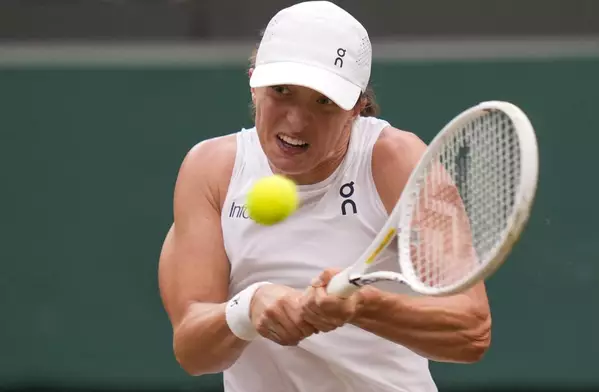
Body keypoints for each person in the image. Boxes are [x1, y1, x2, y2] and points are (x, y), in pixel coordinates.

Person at [158, 1, 492, 391]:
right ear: (253, 82)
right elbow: (193, 352)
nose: (297, 122)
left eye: (324, 102)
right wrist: (248, 307)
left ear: (356, 108)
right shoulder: (210, 170)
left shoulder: (397, 161)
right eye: (282, 91)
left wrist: (362, 306)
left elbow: (471, 331)